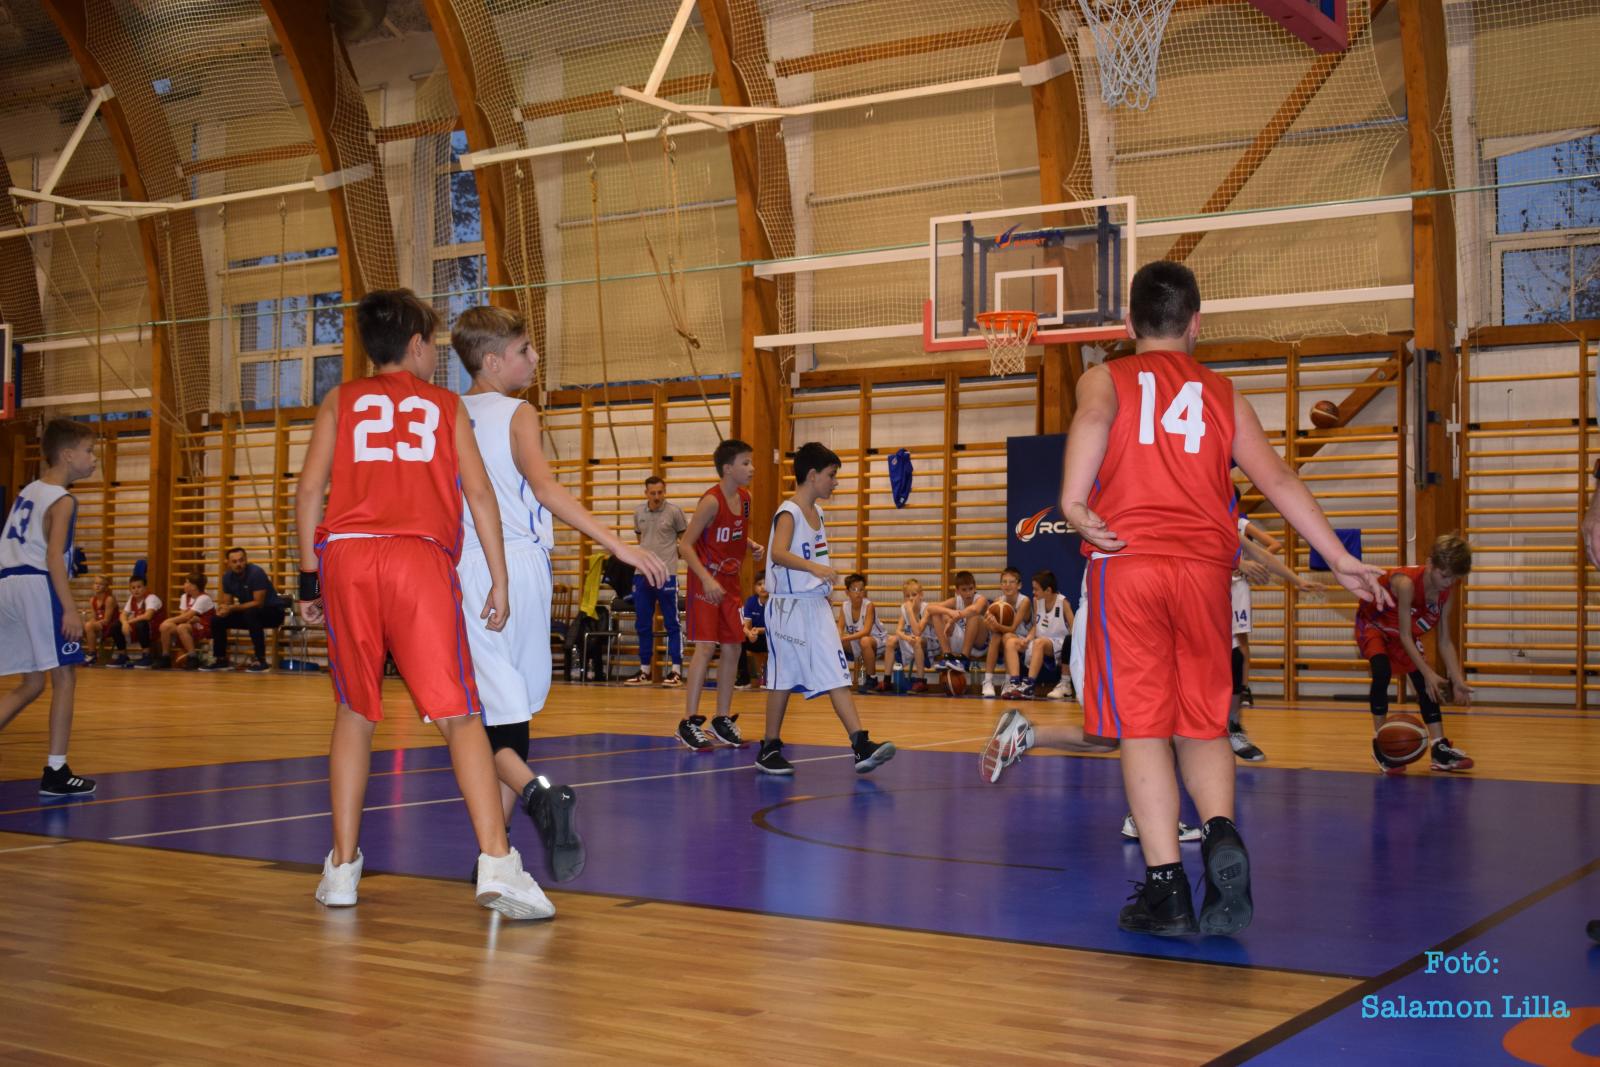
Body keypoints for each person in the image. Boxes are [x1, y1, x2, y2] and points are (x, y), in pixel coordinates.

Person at [1060, 259, 1387, 937]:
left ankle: (1166, 890)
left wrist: (1072, 498)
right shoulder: (1222, 393)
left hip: (1129, 563)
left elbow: (1092, 417)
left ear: (1129, 323)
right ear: (1197, 324)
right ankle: (1219, 832)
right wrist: (1338, 558)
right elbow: (1280, 479)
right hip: (1205, 572)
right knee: (1204, 722)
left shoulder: (1107, 377)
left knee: (1143, 727)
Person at [294, 287, 552, 918]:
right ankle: (498, 863)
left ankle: (342, 870)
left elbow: (309, 490)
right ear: (415, 345)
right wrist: (498, 578)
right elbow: (480, 495)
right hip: (418, 558)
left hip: (348, 559)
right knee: (460, 715)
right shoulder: (443, 405)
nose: (436, 354)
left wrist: (308, 579)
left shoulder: (339, 400)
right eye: (433, 343)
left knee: (355, 713)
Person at [452, 305, 669, 882]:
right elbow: (545, 488)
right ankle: (520, 822)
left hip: (467, 567)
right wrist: (619, 545)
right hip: (517, 567)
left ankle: (496, 853)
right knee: (505, 719)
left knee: (486, 718)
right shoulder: (518, 413)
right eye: (524, 350)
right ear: (492, 361)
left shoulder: (443, 412)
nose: (535, 358)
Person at [754, 442, 895, 776]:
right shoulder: (788, 512)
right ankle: (769, 747)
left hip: (815, 606)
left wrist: (822, 586)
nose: (835, 482)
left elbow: (815, 556)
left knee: (837, 671)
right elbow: (778, 553)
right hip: (788, 608)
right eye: (832, 475)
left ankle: (860, 744)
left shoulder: (818, 513)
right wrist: (814, 569)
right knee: (783, 676)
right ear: (812, 475)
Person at [0, 417, 98, 795]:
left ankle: (57, 770)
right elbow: (53, 556)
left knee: (31, 683)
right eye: (89, 451)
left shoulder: (29, 491)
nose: (94, 458)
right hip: (36, 585)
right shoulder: (63, 499)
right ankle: (57, 771)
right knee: (65, 675)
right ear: (68, 455)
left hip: (7, 584)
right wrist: (69, 609)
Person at [1358, 534, 1476, 774]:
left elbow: (1444, 640)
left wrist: (1457, 679)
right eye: (1445, 576)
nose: (1449, 582)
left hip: (1403, 631)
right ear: (1430, 564)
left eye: (1455, 578)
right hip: (1375, 625)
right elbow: (1405, 636)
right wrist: (1430, 672)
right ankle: (1381, 744)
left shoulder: (1446, 593)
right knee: (1381, 672)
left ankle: (1439, 748)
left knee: (1425, 685)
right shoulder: (1406, 584)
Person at [677, 439, 764, 750]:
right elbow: (685, 545)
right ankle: (688, 721)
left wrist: (750, 545)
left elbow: (732, 532)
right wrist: (706, 579)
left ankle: (721, 718)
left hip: (729, 583)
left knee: (733, 647)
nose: (752, 468)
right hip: (705, 582)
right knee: (705, 647)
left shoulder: (745, 499)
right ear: (728, 469)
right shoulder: (711, 501)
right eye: (745, 463)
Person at [624, 475, 686, 687]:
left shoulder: (674, 512)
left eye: (660, 492)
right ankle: (645, 671)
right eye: (653, 493)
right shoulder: (638, 513)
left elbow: (685, 540)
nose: (657, 496)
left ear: (664, 491)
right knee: (642, 623)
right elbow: (641, 540)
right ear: (646, 493)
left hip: (667, 574)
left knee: (672, 623)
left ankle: (676, 670)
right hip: (643, 574)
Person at [204, 548, 286, 672]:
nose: (238, 564)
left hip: (273, 612)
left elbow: (258, 603)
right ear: (228, 563)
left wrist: (231, 608)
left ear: (246, 560)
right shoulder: (227, 577)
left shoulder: (256, 573)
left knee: (251, 613)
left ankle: (261, 660)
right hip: (249, 612)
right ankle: (220, 659)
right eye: (234, 561)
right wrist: (223, 609)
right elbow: (228, 602)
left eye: (241, 560)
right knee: (217, 619)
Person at [1000, 570, 1071, 700]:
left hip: (1058, 643)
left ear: (1048, 590)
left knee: (1039, 642)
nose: (1033, 592)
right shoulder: (1037, 601)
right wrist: (1027, 639)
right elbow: (1035, 625)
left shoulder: (1063, 603)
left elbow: (1074, 630)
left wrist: (1070, 652)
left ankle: (1030, 684)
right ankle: (1014, 683)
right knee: (1011, 642)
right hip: (1040, 641)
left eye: (1036, 589)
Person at [980, 567, 1031, 698]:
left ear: (1019, 585)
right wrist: (989, 624)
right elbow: (991, 626)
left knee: (1007, 636)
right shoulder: (998, 601)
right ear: (1001, 585)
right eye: (1004, 582)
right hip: (1003, 638)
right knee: (996, 636)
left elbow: (1013, 628)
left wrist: (996, 626)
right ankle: (988, 681)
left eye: (1011, 582)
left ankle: (1009, 681)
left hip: (1022, 640)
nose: (1007, 585)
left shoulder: (1024, 601)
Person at [927, 571, 989, 673]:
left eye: (971, 588)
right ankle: (947, 656)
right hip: (962, 641)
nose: (968, 593)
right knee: (936, 614)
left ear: (975, 588)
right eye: (964, 590)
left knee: (973, 615)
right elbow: (930, 608)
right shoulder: (956, 600)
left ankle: (964, 659)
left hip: (978, 644)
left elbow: (975, 609)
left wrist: (953, 619)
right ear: (957, 591)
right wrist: (949, 612)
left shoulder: (981, 599)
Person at [839, 572, 888, 693]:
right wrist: (838, 637)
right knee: (834, 642)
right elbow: (839, 627)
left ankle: (872, 679)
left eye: (861, 590)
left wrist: (845, 638)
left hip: (877, 640)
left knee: (864, 641)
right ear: (847, 592)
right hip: (857, 640)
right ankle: (837, 680)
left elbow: (866, 631)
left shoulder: (869, 605)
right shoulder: (844, 606)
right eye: (854, 589)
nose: (858, 593)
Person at [158, 572, 216, 669]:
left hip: (205, 628)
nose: (184, 584)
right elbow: (184, 616)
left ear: (194, 586)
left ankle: (193, 657)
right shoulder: (185, 597)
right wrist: (167, 623)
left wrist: (167, 620)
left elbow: (186, 617)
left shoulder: (204, 598)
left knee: (181, 627)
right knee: (166, 627)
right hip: (191, 626)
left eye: (186, 582)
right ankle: (165, 657)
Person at [890, 578, 936, 693]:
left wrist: (910, 611)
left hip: (929, 643)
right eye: (907, 596)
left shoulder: (926, 608)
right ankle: (886, 680)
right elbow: (898, 630)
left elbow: (917, 632)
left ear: (921, 595)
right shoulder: (904, 609)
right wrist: (906, 637)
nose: (910, 598)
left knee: (917, 639)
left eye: (914, 595)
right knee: (891, 640)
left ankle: (921, 680)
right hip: (911, 640)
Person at [121, 575, 165, 668]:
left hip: (156, 629)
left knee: (141, 624)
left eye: (139, 587)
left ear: (145, 588)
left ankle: (147, 656)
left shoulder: (151, 598)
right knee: (117, 625)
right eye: (133, 588)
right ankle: (122, 655)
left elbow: (148, 616)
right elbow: (123, 614)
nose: (136, 590)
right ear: (130, 589)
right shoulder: (132, 599)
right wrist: (124, 623)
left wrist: (128, 622)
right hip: (141, 628)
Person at [736, 575, 769, 690]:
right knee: (738, 640)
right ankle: (744, 679)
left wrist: (759, 630)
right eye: (759, 584)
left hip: (771, 638)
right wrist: (749, 634)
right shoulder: (751, 601)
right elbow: (745, 626)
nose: (763, 587)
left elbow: (778, 628)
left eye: (766, 583)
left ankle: (770, 676)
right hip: (756, 638)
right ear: (755, 587)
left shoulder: (775, 601)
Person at [82, 575, 123, 665]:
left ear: (106, 587)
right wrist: (89, 623)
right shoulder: (92, 600)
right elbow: (93, 617)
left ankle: (92, 654)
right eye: (96, 583)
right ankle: (78, 653)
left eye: (101, 584)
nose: (97, 586)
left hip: (110, 626)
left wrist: (90, 625)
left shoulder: (109, 599)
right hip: (99, 624)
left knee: (88, 626)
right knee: (80, 626)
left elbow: (106, 620)